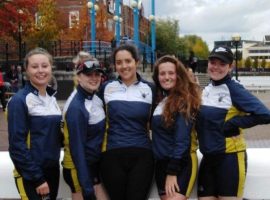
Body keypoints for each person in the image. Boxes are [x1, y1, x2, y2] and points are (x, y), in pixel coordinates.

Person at [195, 46, 270, 200]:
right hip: (208, 159)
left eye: (222, 64)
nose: (216, 67)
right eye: (213, 62)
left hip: (230, 159)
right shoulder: (207, 89)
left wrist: (234, 123)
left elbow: (265, 114)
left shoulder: (234, 89)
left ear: (230, 67)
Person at [99, 44, 155, 200]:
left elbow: (157, 123)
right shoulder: (106, 88)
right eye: (119, 62)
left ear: (136, 62)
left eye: (128, 61)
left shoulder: (150, 88)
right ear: (114, 65)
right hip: (112, 155)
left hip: (142, 155)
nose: (124, 66)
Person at [7, 48, 62, 199]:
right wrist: (37, 178)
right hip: (32, 175)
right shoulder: (19, 101)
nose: (40, 70)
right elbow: (17, 145)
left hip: (52, 170)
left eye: (44, 66)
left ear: (51, 67)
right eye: (34, 66)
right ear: (27, 70)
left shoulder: (51, 99)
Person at [151, 55, 201, 200]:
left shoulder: (184, 100)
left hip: (180, 164)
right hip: (161, 165)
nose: (166, 77)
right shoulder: (160, 100)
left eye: (171, 73)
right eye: (162, 73)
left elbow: (182, 140)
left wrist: (172, 172)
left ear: (178, 75)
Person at [62, 54, 108, 200]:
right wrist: (87, 187)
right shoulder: (77, 107)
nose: (94, 78)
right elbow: (77, 149)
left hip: (92, 166)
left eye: (97, 74)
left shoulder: (94, 97)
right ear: (79, 77)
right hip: (79, 169)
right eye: (89, 74)